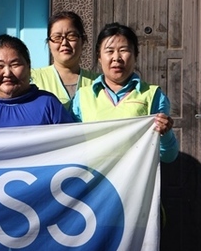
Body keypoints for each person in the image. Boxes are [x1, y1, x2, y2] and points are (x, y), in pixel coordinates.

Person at [71, 22, 179, 163]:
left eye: (123, 50)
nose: (116, 58)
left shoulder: (152, 95)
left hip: (136, 177)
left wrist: (166, 134)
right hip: (93, 176)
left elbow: (168, 157)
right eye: (109, 51)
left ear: (135, 55)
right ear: (99, 57)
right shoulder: (82, 97)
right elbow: (72, 147)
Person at [0, 34, 74, 131]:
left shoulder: (47, 103)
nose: (7, 73)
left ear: (28, 67)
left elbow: (71, 144)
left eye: (15, 65)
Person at [31, 11, 98, 110]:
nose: (64, 43)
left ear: (83, 41)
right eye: (57, 37)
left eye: (71, 36)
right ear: (49, 43)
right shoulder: (33, 78)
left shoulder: (99, 82)